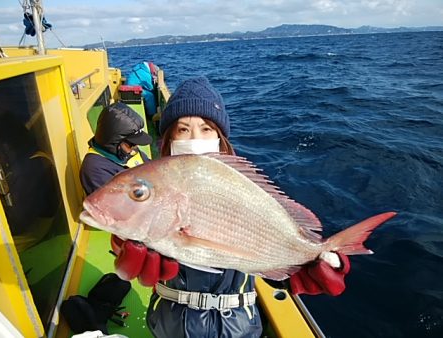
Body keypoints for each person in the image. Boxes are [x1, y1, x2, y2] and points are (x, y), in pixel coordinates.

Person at [111, 76, 351, 338]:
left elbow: (269, 267)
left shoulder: (244, 187)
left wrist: (310, 265)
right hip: (171, 325)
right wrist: (122, 245)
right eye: (182, 129)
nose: (194, 138)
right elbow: (131, 243)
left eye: (206, 129)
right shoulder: (158, 187)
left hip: (239, 327)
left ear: (219, 137)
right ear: (168, 139)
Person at [80, 102, 153, 195]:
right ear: (114, 142)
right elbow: (114, 205)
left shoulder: (127, 150)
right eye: (131, 144)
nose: (135, 147)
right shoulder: (94, 169)